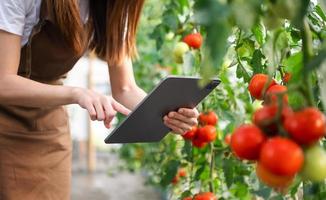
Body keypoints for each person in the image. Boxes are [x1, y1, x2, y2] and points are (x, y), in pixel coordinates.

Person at [0, 0, 199, 199]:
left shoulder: (114, 7)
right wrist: (76, 93)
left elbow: (125, 88)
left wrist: (166, 114)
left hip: (47, 126)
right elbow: (3, 82)